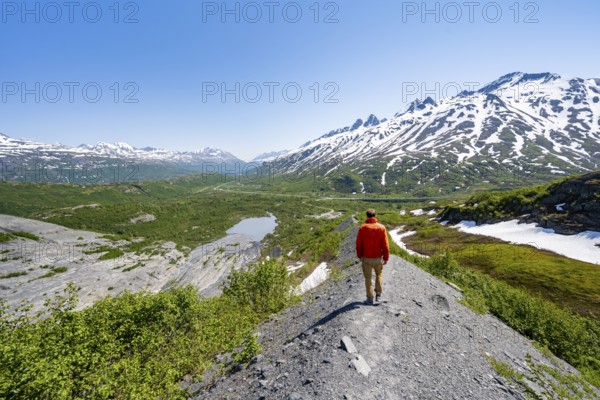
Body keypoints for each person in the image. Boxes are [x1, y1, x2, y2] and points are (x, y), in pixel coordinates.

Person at [356, 209, 390, 304]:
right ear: (375, 215)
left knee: (368, 278)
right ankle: (378, 296)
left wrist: (359, 255)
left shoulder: (362, 228)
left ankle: (369, 298)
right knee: (378, 275)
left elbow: (359, 244)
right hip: (378, 258)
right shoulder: (381, 227)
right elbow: (385, 245)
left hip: (366, 258)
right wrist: (386, 257)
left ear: (366, 216)